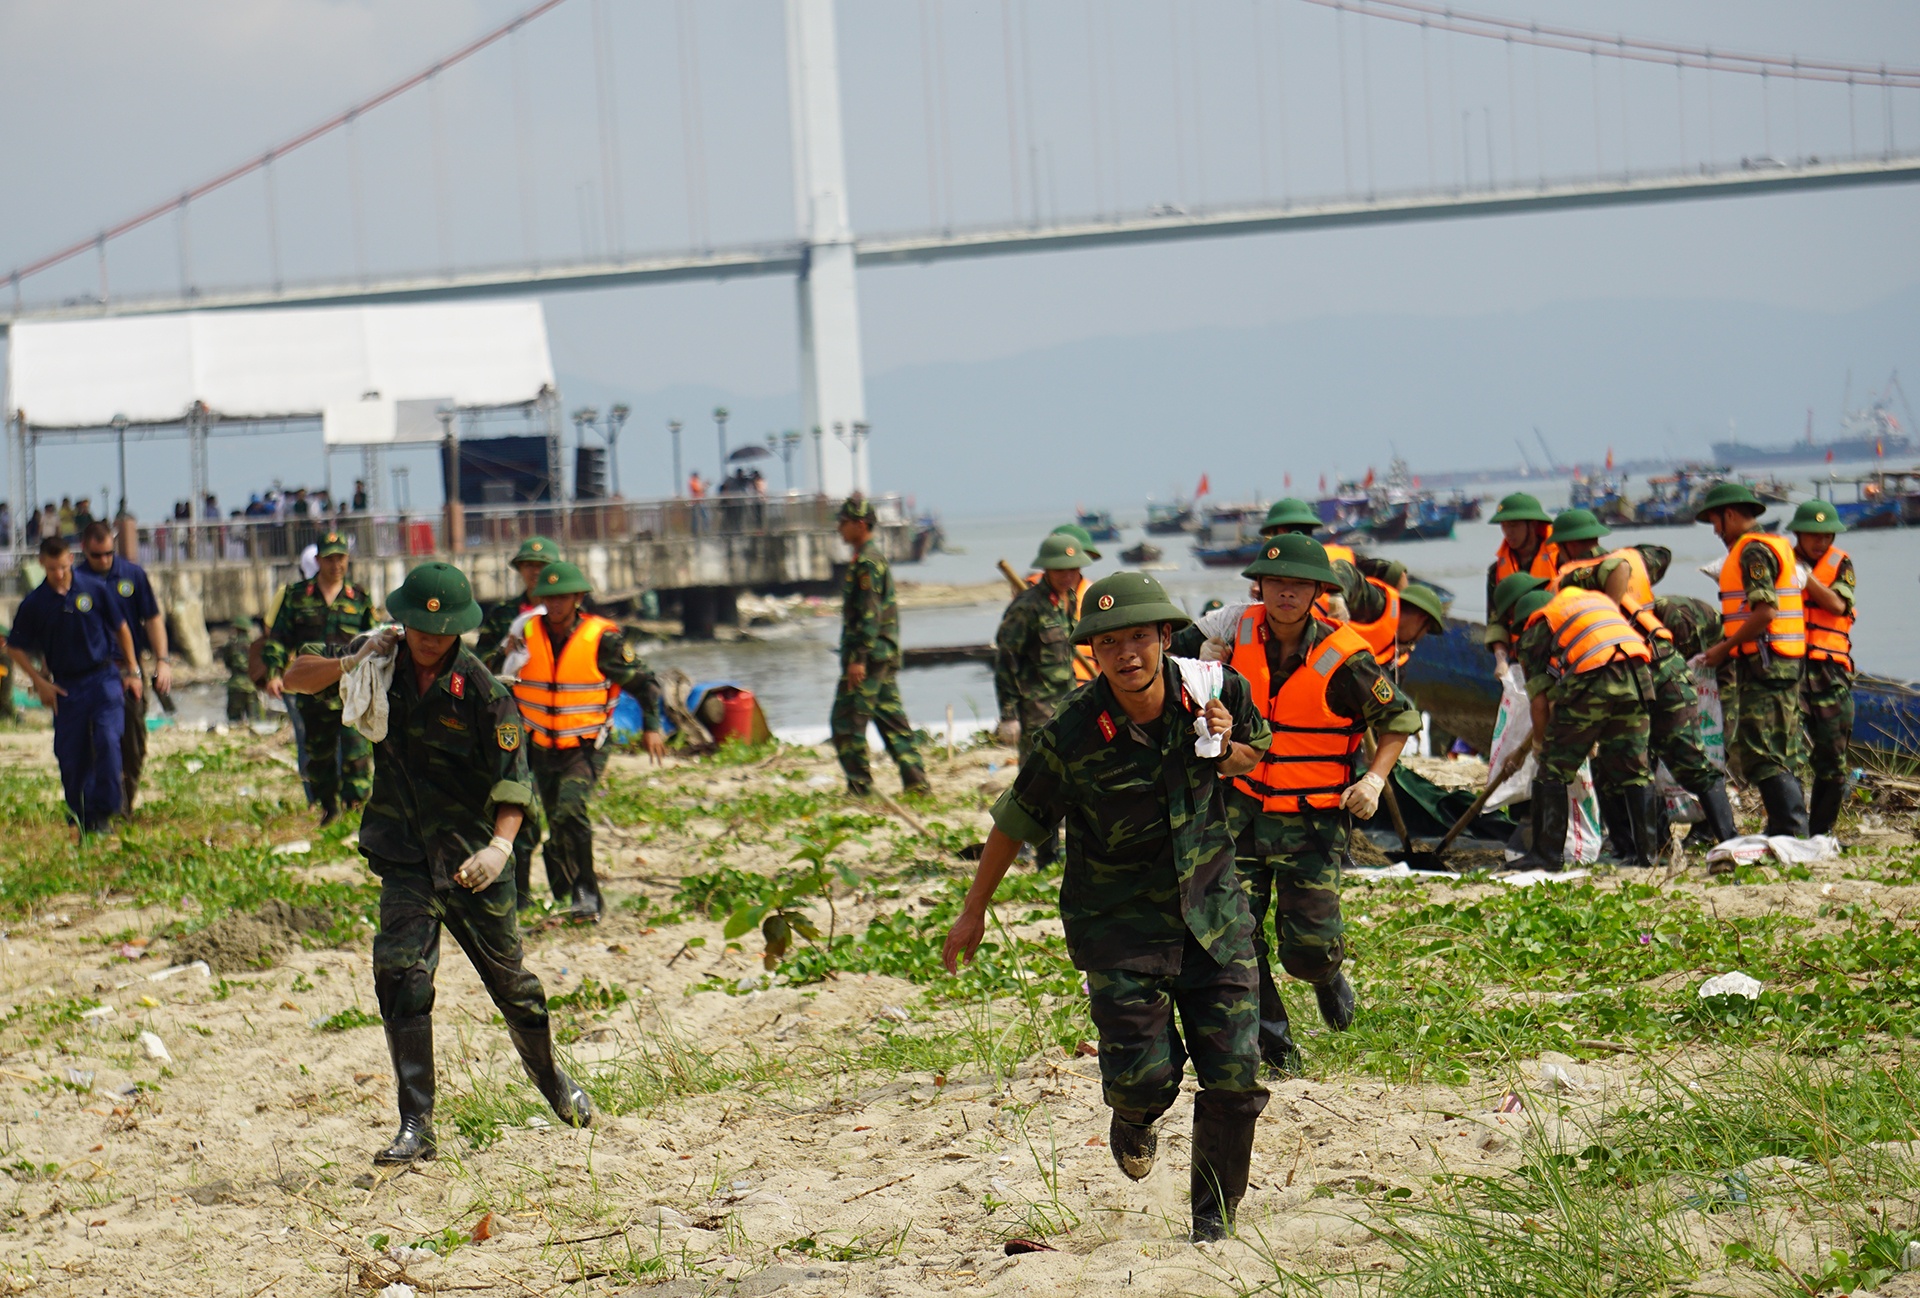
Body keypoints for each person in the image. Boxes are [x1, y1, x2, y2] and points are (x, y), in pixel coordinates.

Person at [942, 571, 1271, 1242]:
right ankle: (1134, 1116)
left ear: (1164, 637)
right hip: (1120, 928)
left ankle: (1212, 1221)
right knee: (1145, 1081)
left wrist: (1226, 744)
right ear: (1092, 651)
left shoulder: (1215, 689)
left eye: (1139, 637)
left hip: (1213, 916)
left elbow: (1253, 752)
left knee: (1235, 1078)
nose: (1127, 654)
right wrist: (974, 909)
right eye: (1109, 643)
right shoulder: (1072, 732)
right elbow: (1016, 820)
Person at [281, 562, 591, 1165]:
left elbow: (514, 783)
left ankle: (553, 1080)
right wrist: (353, 659)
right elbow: (296, 675)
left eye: (441, 630)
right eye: (419, 629)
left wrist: (500, 849)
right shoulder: (379, 659)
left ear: (459, 629)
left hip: (472, 860)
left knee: (513, 987)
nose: (428, 639)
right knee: (400, 973)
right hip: (405, 854)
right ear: (403, 620)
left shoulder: (484, 693)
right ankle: (416, 1124)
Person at [1173, 535, 1421, 1073]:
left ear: (1316, 591)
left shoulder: (1345, 654)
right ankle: (1276, 1046)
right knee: (1236, 935)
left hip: (1312, 821)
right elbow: (1160, 661)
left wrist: (1373, 780)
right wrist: (1197, 662)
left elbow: (1400, 718)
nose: (1286, 593)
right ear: (1260, 586)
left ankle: (1326, 975)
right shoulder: (1230, 630)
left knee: (1308, 949)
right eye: (1277, 582)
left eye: (1298, 584)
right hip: (1238, 811)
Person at [1547, 509, 1738, 851]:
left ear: (1565, 546)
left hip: (1631, 671)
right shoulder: (1633, 559)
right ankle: (1718, 840)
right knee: (1676, 760)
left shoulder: (1572, 578)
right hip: (1659, 663)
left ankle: (1645, 847)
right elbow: (1660, 554)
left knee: (1627, 765)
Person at [510, 561, 666, 920]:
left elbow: (645, 682)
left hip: (585, 746)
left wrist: (651, 726)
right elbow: (497, 673)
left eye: (563, 597)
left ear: (578, 597)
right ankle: (558, 892)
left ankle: (588, 893)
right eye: (549, 598)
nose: (555, 604)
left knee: (570, 810)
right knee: (547, 820)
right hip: (539, 745)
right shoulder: (525, 633)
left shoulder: (603, 640)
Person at [1492, 572, 1656, 868]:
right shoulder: (1580, 604)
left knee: (1552, 770)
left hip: (1596, 676)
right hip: (1637, 673)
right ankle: (1649, 856)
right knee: (1635, 769)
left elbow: (1540, 703)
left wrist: (1541, 747)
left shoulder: (1536, 630)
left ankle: (1546, 855)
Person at [1694, 482, 1808, 837]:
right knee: (1783, 748)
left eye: (1715, 522)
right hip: (1779, 662)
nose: (1715, 531)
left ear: (1729, 515)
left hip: (1767, 663)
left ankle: (1790, 829)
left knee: (1761, 750)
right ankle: (1786, 828)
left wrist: (1723, 648)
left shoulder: (1752, 551)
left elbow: (1765, 611)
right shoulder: (1772, 544)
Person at [6, 536, 139, 834]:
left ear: (70, 559)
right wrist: (39, 682)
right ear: (42, 564)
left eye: (64, 567)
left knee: (107, 741)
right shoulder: (35, 603)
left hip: (103, 677)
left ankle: (105, 812)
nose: (59, 574)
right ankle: (82, 815)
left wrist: (133, 670)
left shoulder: (94, 588)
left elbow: (121, 628)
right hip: (67, 685)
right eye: (52, 568)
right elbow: (14, 647)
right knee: (72, 756)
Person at [262, 531, 376, 825]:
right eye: (329, 559)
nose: (336, 565)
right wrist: (274, 674)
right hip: (312, 688)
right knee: (318, 752)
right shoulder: (297, 596)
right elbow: (279, 638)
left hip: (351, 688)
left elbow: (374, 640)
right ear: (318, 560)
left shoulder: (360, 598)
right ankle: (327, 808)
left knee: (356, 751)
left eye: (341, 558)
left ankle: (355, 809)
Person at [994, 533, 1088, 866]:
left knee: (1069, 780)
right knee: (1036, 785)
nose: (1067, 575)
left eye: (1073, 569)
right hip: (1034, 709)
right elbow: (1006, 660)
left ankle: (1057, 853)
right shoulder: (1027, 607)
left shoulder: (1069, 600)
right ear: (1047, 569)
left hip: (1067, 705)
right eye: (1060, 570)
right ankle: (1034, 852)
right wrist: (1008, 714)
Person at [831, 496, 929, 797]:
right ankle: (917, 784)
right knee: (891, 720)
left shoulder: (868, 563)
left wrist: (858, 658)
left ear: (860, 524)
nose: (839, 528)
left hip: (870, 657)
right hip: (879, 654)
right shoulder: (866, 558)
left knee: (846, 721)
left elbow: (869, 614)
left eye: (844, 522)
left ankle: (859, 787)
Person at [79, 521, 173, 813]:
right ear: (84, 549)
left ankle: (124, 805)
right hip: (91, 673)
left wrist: (162, 660)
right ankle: (101, 808)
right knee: (97, 742)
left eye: (109, 553)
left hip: (127, 669)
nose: (104, 560)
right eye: (97, 555)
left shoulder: (132, 575)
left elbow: (152, 619)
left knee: (133, 742)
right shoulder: (77, 580)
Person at [1788, 500, 1854, 836]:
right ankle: (1790, 828)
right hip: (1789, 668)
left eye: (1827, 534)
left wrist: (1806, 579)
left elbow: (1837, 604)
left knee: (1832, 756)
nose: (1821, 541)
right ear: (1798, 533)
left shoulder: (1840, 563)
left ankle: (1821, 831)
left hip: (1830, 672)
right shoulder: (1780, 561)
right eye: (1814, 534)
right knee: (1788, 753)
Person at [1483, 493, 1561, 670]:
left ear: (1532, 524)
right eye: (1504, 526)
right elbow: (1496, 622)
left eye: (1514, 525)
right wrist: (1501, 660)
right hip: (1520, 659)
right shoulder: (1496, 571)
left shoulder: (1560, 560)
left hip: (1558, 654)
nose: (1508, 532)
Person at [475, 536, 564, 668]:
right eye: (529, 565)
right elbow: (480, 662)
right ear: (520, 569)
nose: (536, 571)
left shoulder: (569, 613)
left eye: (542, 565)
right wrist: (503, 653)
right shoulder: (502, 614)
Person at [224, 624, 264, 724]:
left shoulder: (231, 645)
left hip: (235, 684)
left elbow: (227, 662)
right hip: (252, 686)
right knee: (255, 719)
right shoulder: (255, 645)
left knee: (234, 720)